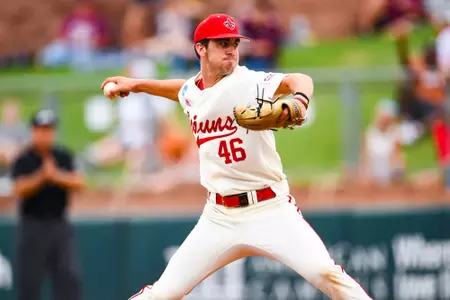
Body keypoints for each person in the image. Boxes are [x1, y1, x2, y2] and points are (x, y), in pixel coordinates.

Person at [101, 13, 372, 299]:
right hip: (219, 216)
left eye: (234, 42)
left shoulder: (248, 82)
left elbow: (299, 79)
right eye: (222, 43)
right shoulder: (193, 91)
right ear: (200, 48)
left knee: (325, 273)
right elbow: (183, 91)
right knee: (163, 293)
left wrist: (299, 100)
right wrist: (137, 84)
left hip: (270, 209)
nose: (231, 49)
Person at [10, 109, 85, 300]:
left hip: (59, 225)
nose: (45, 134)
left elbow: (79, 183)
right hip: (32, 226)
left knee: (68, 280)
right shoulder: (24, 159)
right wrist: (41, 176)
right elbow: (18, 189)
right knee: (30, 284)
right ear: (33, 131)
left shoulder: (62, 155)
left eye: (49, 130)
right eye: (41, 130)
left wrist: (56, 176)